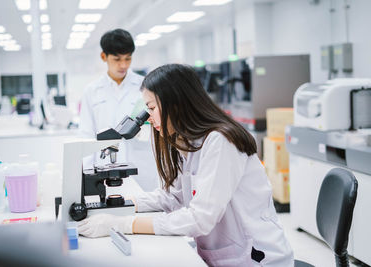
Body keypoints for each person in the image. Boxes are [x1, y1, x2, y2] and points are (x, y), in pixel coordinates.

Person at [78, 64, 294, 266]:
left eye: (151, 108)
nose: (148, 118)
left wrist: (125, 225)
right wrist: (120, 205)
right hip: (218, 254)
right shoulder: (187, 141)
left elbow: (200, 218)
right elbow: (172, 196)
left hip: (254, 258)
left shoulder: (221, 141)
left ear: (175, 104)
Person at [79, 28, 158, 191]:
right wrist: (87, 174)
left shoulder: (146, 86)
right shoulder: (92, 91)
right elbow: (86, 134)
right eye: (117, 59)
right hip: (105, 170)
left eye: (128, 59)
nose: (123, 65)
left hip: (142, 169)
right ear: (104, 57)